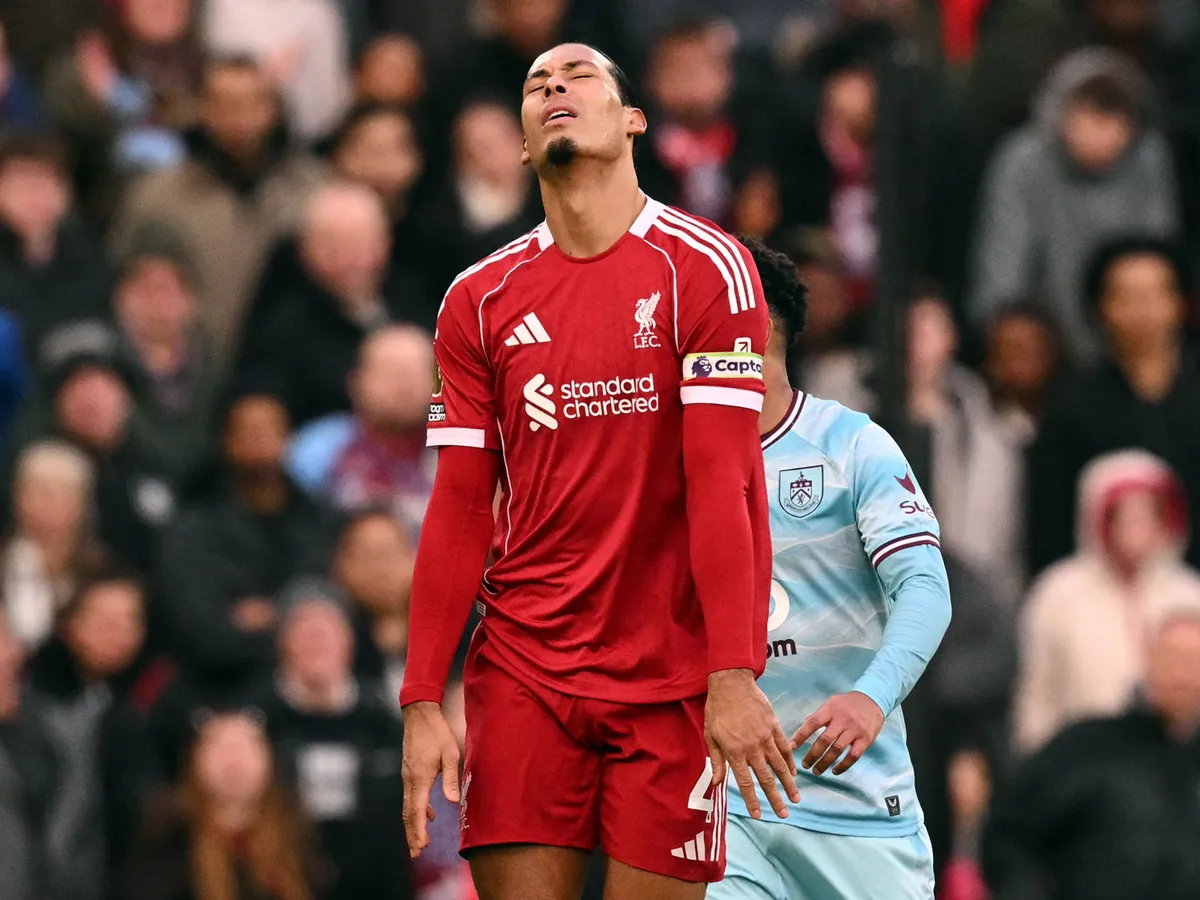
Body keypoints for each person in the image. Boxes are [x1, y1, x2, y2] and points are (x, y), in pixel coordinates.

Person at [401, 42, 795, 900]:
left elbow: (723, 482)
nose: (552, 87)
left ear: (631, 120)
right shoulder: (478, 298)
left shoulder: (708, 267)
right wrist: (423, 695)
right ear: (520, 144)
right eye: (535, 84)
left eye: (577, 75)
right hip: (523, 667)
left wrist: (733, 671)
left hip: (670, 675)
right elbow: (462, 506)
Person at [707, 237, 950, 900]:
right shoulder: (662, 464)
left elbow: (926, 592)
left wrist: (871, 697)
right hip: (725, 812)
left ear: (753, 325)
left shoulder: (852, 445)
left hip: (859, 810)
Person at [984, 599, 1200, 900]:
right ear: (1148, 657)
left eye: (1193, 661)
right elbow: (1008, 837)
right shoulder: (1084, 747)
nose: (1183, 674)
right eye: (1173, 657)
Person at [1026, 236, 1200, 575]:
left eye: (1155, 294)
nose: (1143, 310)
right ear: (1101, 309)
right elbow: (1049, 523)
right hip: (1102, 603)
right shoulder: (1071, 406)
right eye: (1127, 297)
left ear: (1180, 303)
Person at [1014, 449, 1200, 753]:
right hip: (1080, 764)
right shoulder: (1058, 595)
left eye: (1148, 514)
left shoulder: (1189, 593)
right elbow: (1037, 695)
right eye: (1123, 516)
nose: (1136, 530)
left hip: (1178, 766)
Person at [259, 577, 416, 900]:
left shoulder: (385, 723)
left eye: (327, 626)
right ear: (282, 642)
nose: (316, 637)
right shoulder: (259, 725)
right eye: (303, 627)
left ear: (349, 639)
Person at [121, 708, 323, 900]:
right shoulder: (168, 833)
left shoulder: (294, 828)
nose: (233, 759)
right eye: (218, 745)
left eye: (246, 745)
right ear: (194, 760)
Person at [286, 325, 435, 535]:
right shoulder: (315, 450)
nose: (405, 384)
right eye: (389, 371)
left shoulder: (461, 453)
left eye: (417, 371)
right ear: (355, 381)